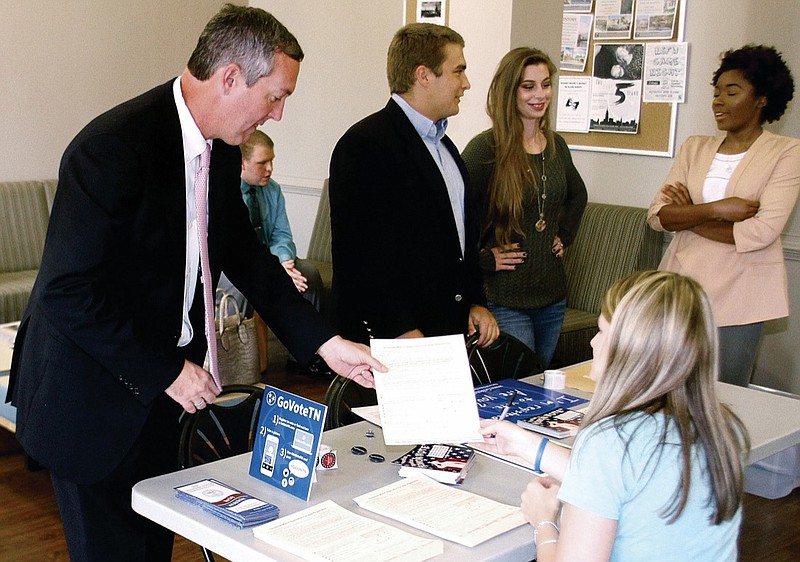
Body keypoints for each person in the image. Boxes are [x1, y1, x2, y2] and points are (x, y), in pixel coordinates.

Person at [6, 5, 384, 561]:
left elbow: (246, 256)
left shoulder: (222, 147)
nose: (278, 115)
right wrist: (165, 370)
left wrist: (326, 345)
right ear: (230, 77)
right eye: (276, 96)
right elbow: (68, 293)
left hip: (162, 396)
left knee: (152, 547)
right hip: (90, 401)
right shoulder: (112, 148)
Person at [481, 271, 749, 561]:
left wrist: (543, 522)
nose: (594, 343)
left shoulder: (609, 441)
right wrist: (525, 445)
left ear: (629, 349)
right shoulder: (719, 427)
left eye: (601, 331)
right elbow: (623, 479)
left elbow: (608, 468)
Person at [328, 23, 499, 347]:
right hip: (390, 340)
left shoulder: (445, 148)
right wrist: (399, 329)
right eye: (458, 71)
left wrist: (475, 302)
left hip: (444, 335)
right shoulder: (364, 144)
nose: (466, 83)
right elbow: (360, 255)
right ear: (423, 74)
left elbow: (459, 244)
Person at [647, 44, 799, 387]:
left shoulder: (787, 152)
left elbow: (760, 233)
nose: (718, 101)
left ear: (761, 99)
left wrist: (690, 215)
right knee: (669, 389)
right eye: (716, 92)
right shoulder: (694, 146)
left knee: (725, 395)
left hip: (743, 294)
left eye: (732, 92)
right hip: (680, 285)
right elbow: (658, 216)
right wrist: (719, 209)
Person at [462, 47, 587, 367]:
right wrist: (483, 260)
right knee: (520, 382)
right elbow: (454, 216)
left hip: (552, 296)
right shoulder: (485, 148)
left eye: (545, 84)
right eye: (528, 86)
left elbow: (578, 195)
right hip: (504, 299)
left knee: (540, 380)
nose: (540, 94)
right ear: (510, 91)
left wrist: (565, 235)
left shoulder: (556, 145)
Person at [238, 130, 323, 309]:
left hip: (272, 257)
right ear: (242, 163)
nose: (270, 168)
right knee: (244, 285)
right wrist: (272, 268)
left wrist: (284, 262)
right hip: (239, 263)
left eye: (272, 160)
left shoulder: (273, 189)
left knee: (309, 275)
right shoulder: (227, 192)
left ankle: (309, 336)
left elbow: (281, 234)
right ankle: (240, 336)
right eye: (262, 163)